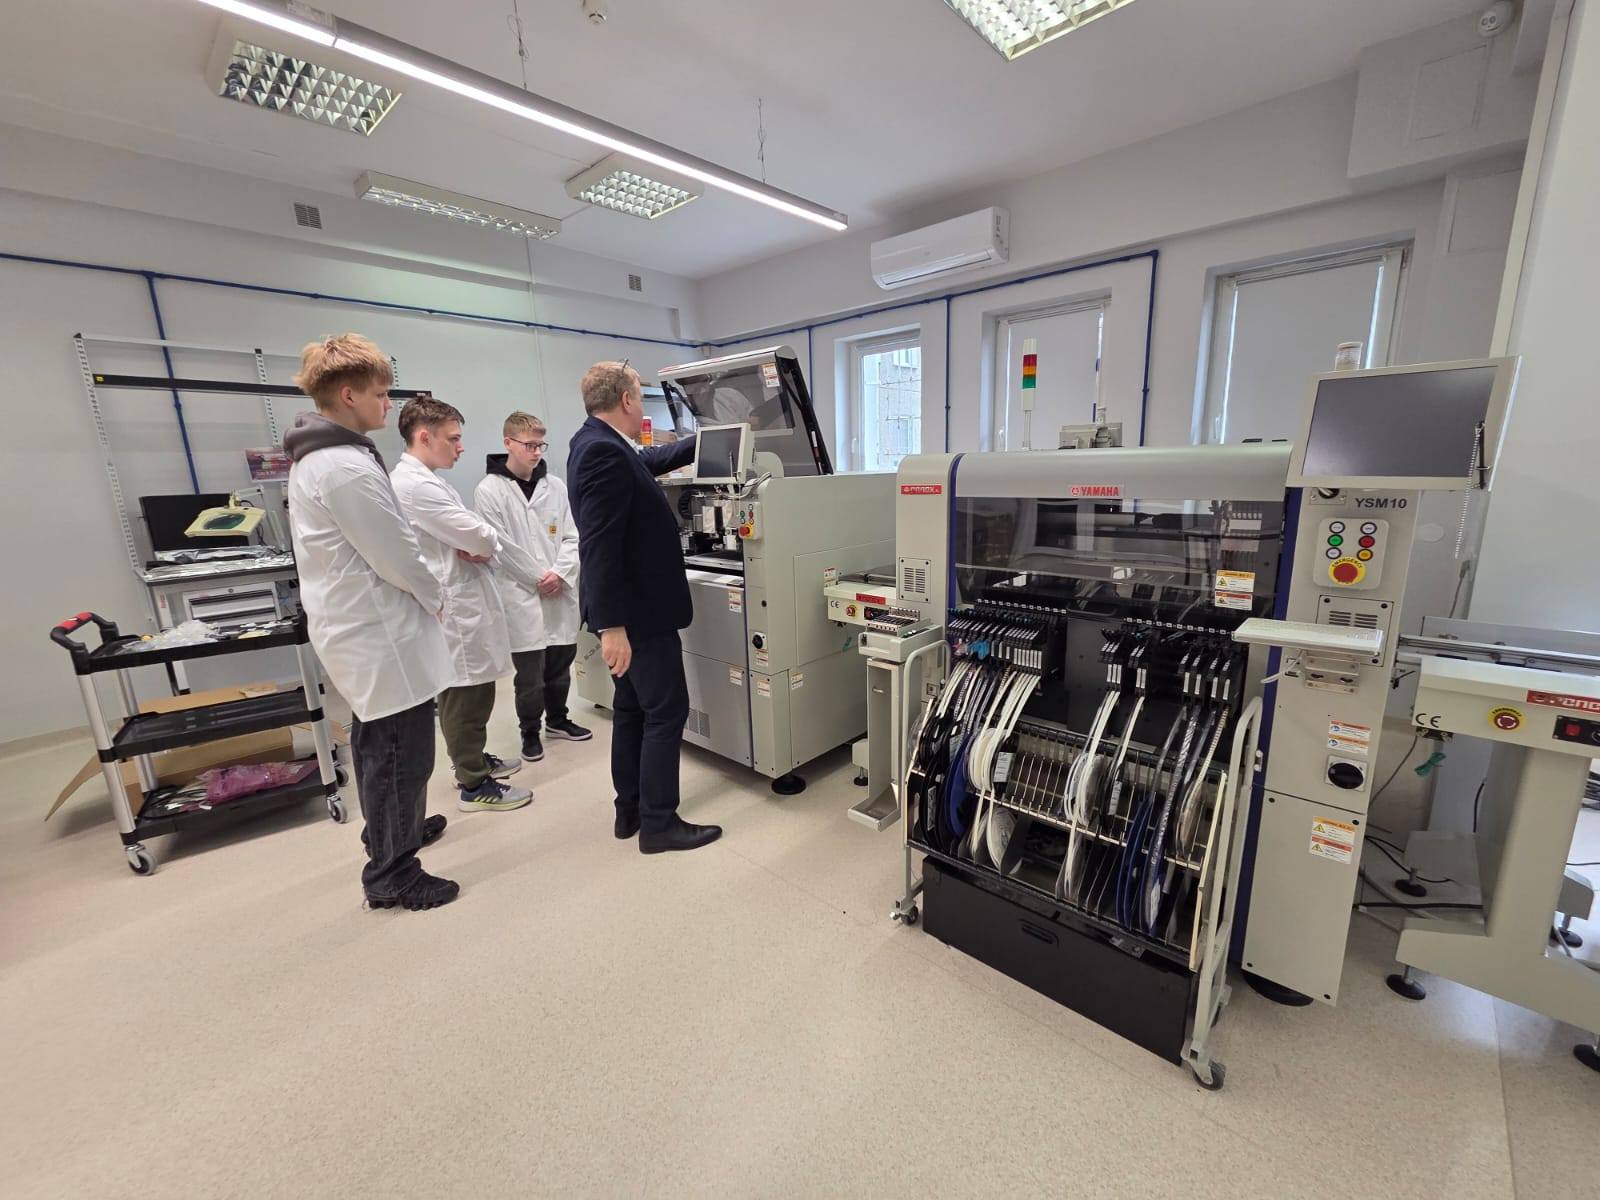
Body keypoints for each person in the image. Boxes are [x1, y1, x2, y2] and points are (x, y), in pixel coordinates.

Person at [283, 334, 459, 911]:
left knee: (381, 741)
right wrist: (436, 595)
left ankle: (391, 831)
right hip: (376, 631)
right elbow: (396, 555)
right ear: (348, 394)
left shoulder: (331, 457)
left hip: (367, 627)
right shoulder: (341, 467)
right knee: (399, 751)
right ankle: (393, 873)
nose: (388, 404)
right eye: (381, 394)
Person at [568, 361, 722, 854]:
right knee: (666, 711)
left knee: (632, 709)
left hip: (630, 610)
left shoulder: (595, 442)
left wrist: (706, 440)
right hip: (638, 615)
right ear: (627, 400)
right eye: (640, 396)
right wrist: (612, 627)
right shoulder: (603, 452)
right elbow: (599, 544)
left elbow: (649, 461)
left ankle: (630, 810)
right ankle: (659, 823)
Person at [391, 396, 542, 814]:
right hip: (454, 608)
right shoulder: (415, 486)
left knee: (473, 690)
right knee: (464, 693)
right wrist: (484, 542)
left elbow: (477, 536)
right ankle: (473, 782)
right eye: (453, 439)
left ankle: (472, 758)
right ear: (425, 437)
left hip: (464, 600)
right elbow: (480, 535)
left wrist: (482, 541)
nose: (461, 447)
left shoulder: (429, 480)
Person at [474, 411, 590, 766]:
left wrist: (560, 574)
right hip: (521, 593)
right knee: (529, 676)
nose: (536, 452)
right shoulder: (489, 490)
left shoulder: (556, 486)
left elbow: (573, 536)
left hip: (559, 590)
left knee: (560, 665)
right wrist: (539, 578)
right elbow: (500, 545)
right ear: (508, 443)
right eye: (529, 445)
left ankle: (557, 720)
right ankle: (529, 731)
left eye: (541, 445)